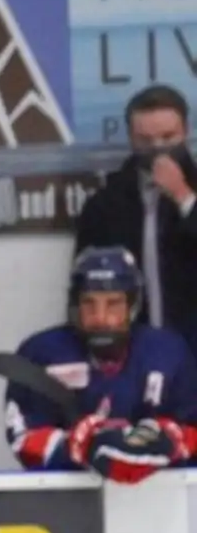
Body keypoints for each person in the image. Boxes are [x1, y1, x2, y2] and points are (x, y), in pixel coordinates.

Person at [4, 247, 197, 482]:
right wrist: (80, 446)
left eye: (113, 304)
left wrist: (168, 440)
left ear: (133, 306)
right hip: (71, 504)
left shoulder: (169, 351)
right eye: (89, 304)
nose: (101, 318)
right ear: (76, 305)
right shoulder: (40, 354)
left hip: (163, 500)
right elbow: (23, 438)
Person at [73, 85, 197, 354]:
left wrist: (183, 195)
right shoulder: (105, 205)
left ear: (185, 132)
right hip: (133, 354)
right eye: (145, 139)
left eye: (168, 137)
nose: (158, 148)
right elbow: (82, 290)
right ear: (131, 138)